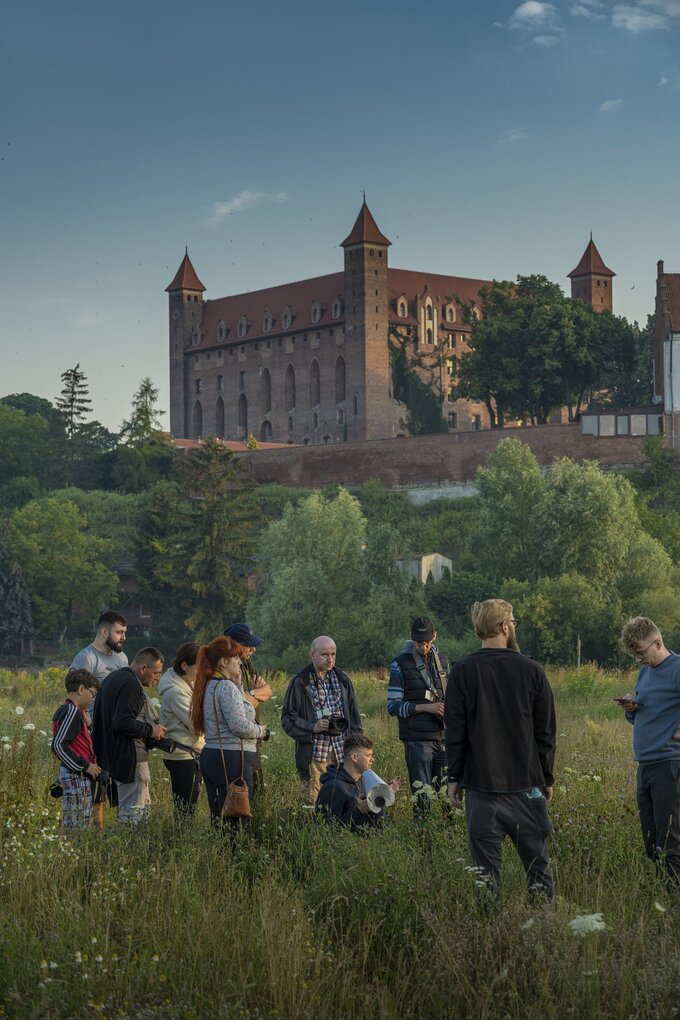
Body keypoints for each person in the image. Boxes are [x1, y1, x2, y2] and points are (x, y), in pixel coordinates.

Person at [445, 600, 556, 899]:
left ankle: (489, 931)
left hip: (481, 789)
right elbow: (545, 731)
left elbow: (455, 732)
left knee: (485, 876)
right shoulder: (532, 670)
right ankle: (543, 928)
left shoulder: (462, 671)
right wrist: (546, 777)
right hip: (526, 787)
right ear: (505, 626)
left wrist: (453, 778)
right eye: (514, 622)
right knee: (538, 869)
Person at [617, 616, 680, 891]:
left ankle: (671, 900)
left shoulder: (677, 668)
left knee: (671, 839)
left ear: (658, 642)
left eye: (641, 653)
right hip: (646, 765)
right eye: (634, 655)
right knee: (652, 839)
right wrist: (633, 710)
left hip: (670, 764)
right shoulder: (645, 672)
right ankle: (661, 894)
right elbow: (647, 717)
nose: (639, 659)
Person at [190, 636, 271, 830]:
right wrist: (262, 731)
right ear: (223, 662)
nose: (240, 661)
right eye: (235, 658)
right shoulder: (225, 687)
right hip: (232, 757)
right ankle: (235, 855)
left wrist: (238, 683)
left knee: (219, 814)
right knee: (237, 815)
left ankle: (220, 855)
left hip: (213, 754)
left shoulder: (210, 684)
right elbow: (238, 725)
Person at [281, 635, 363, 805]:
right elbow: (288, 719)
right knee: (312, 799)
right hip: (315, 752)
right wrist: (312, 727)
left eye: (333, 654)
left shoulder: (342, 679)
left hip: (342, 750)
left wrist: (357, 746)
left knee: (344, 795)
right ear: (312, 654)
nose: (330, 659)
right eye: (325, 654)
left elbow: (354, 717)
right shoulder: (300, 681)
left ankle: (338, 828)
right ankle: (312, 830)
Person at [91, 647, 167, 824]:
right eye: (155, 673)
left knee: (135, 811)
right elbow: (122, 722)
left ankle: (130, 847)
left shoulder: (114, 678)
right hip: (131, 758)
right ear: (143, 668)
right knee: (133, 815)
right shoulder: (132, 684)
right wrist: (152, 730)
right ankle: (127, 849)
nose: (157, 677)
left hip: (114, 756)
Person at [387, 617, 449, 817]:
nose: (424, 646)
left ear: (435, 636)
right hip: (417, 739)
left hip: (444, 737)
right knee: (423, 797)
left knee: (448, 795)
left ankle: (448, 834)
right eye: (419, 642)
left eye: (427, 641)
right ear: (411, 639)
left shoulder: (444, 661)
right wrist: (427, 708)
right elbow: (393, 706)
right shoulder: (399, 664)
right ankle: (423, 837)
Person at [316, 734, 403, 830]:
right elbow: (327, 828)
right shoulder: (333, 787)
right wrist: (359, 810)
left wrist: (385, 792)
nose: (372, 759)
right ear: (354, 757)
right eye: (368, 755)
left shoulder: (361, 780)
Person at [51, 668, 102, 829]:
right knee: (78, 824)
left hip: (76, 774)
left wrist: (88, 726)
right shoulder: (72, 711)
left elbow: (78, 742)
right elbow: (58, 745)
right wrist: (85, 766)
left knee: (78, 820)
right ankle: (73, 851)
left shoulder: (69, 711)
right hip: (76, 776)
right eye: (92, 694)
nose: (92, 699)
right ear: (81, 689)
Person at [224, 623, 272, 794]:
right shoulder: (225, 669)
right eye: (248, 645)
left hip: (254, 738)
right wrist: (254, 695)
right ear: (232, 644)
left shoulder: (247, 664)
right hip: (238, 743)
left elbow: (267, 691)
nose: (253, 650)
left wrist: (250, 694)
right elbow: (235, 706)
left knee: (257, 790)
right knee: (240, 796)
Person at [158, 641, 204, 816]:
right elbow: (197, 725)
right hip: (182, 755)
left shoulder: (188, 684)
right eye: (199, 667)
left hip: (191, 753)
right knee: (185, 809)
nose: (202, 672)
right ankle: (179, 838)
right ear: (184, 665)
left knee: (189, 805)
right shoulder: (175, 692)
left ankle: (182, 836)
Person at [70, 611, 128, 684]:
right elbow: (77, 693)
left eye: (124, 633)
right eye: (119, 632)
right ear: (104, 632)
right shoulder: (85, 658)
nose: (124, 637)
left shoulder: (122, 657)